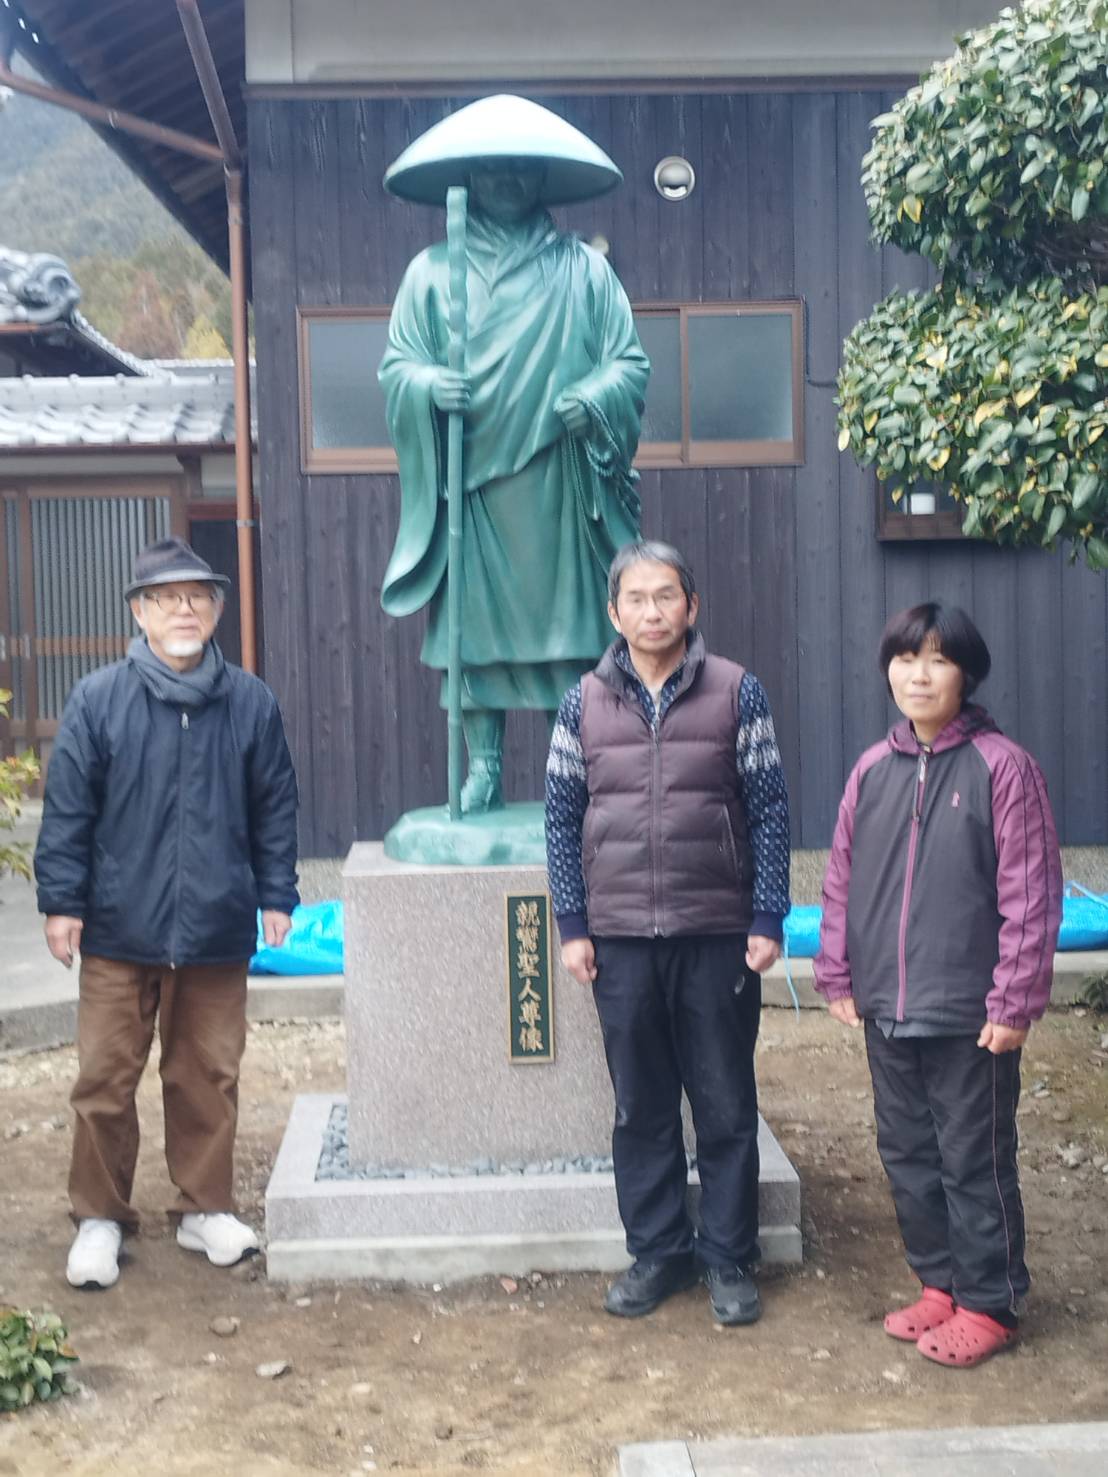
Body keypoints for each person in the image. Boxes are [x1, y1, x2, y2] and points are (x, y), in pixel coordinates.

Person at [34, 537, 299, 1290]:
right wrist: (63, 902)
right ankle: (99, 1216)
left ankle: (203, 1206)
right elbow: (68, 811)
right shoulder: (98, 698)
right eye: (166, 597)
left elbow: (274, 803)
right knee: (105, 1076)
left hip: (216, 925)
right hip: (120, 925)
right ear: (140, 611)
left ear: (215, 610)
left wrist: (277, 891)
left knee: (207, 1073)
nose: (184, 609)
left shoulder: (249, 701)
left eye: (198, 596)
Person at [545, 539, 791, 1325]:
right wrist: (572, 924)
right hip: (617, 938)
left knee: (723, 1102)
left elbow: (770, 805)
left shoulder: (736, 691)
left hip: (716, 930)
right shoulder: (583, 700)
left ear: (692, 605)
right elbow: (561, 815)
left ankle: (727, 1257)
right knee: (640, 1106)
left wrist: (768, 914)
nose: (652, 612)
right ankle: (656, 1251)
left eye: (666, 596)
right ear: (615, 612)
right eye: (636, 599)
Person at [814, 602, 1061, 1368]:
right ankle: (939, 1283)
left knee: (974, 1156)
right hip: (887, 1006)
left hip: (971, 1013)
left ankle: (992, 1299)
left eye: (937, 659)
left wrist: (1015, 998)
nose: (918, 674)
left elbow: (1032, 892)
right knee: (909, 1151)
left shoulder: (1003, 767)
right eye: (905, 658)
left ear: (967, 672)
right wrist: (836, 972)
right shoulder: (872, 769)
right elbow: (841, 881)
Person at [380, 148, 648, 812]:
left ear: (542, 180)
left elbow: (628, 363)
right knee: (475, 638)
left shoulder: (583, 268)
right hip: (473, 482)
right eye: (494, 170)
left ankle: (581, 770)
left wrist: (591, 399)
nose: (508, 181)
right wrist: (426, 386)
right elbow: (397, 367)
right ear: (468, 179)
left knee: (570, 636)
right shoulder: (432, 272)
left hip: (555, 472)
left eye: (522, 170)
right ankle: (484, 769)